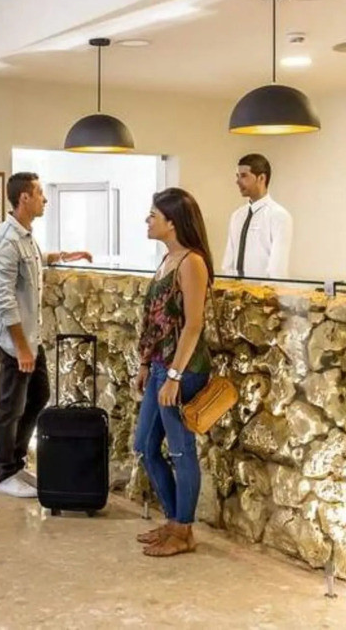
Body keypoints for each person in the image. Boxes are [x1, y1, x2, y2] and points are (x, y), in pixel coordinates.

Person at [0, 172, 92, 497]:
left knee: (39, 395)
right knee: (11, 406)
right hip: (14, 340)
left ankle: (16, 463)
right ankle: (3, 474)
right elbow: (4, 299)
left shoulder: (25, 236)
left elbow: (31, 263)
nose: (45, 199)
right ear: (24, 198)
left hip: (31, 337)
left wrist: (61, 256)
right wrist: (21, 348)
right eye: (40, 193)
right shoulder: (7, 239)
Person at [132, 187, 214, 557]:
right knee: (145, 446)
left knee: (181, 451)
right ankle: (173, 520)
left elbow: (193, 325)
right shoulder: (167, 259)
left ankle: (184, 530)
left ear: (172, 222)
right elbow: (155, 321)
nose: (147, 221)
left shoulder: (191, 262)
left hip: (183, 370)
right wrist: (145, 363)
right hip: (160, 368)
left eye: (153, 215)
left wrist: (175, 376)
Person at [220, 153, 292, 279]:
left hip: (263, 290)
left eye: (244, 176)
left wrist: (268, 290)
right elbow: (228, 262)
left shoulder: (279, 216)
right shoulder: (237, 216)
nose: (237, 182)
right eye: (237, 176)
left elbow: (277, 268)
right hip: (235, 289)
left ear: (261, 178)